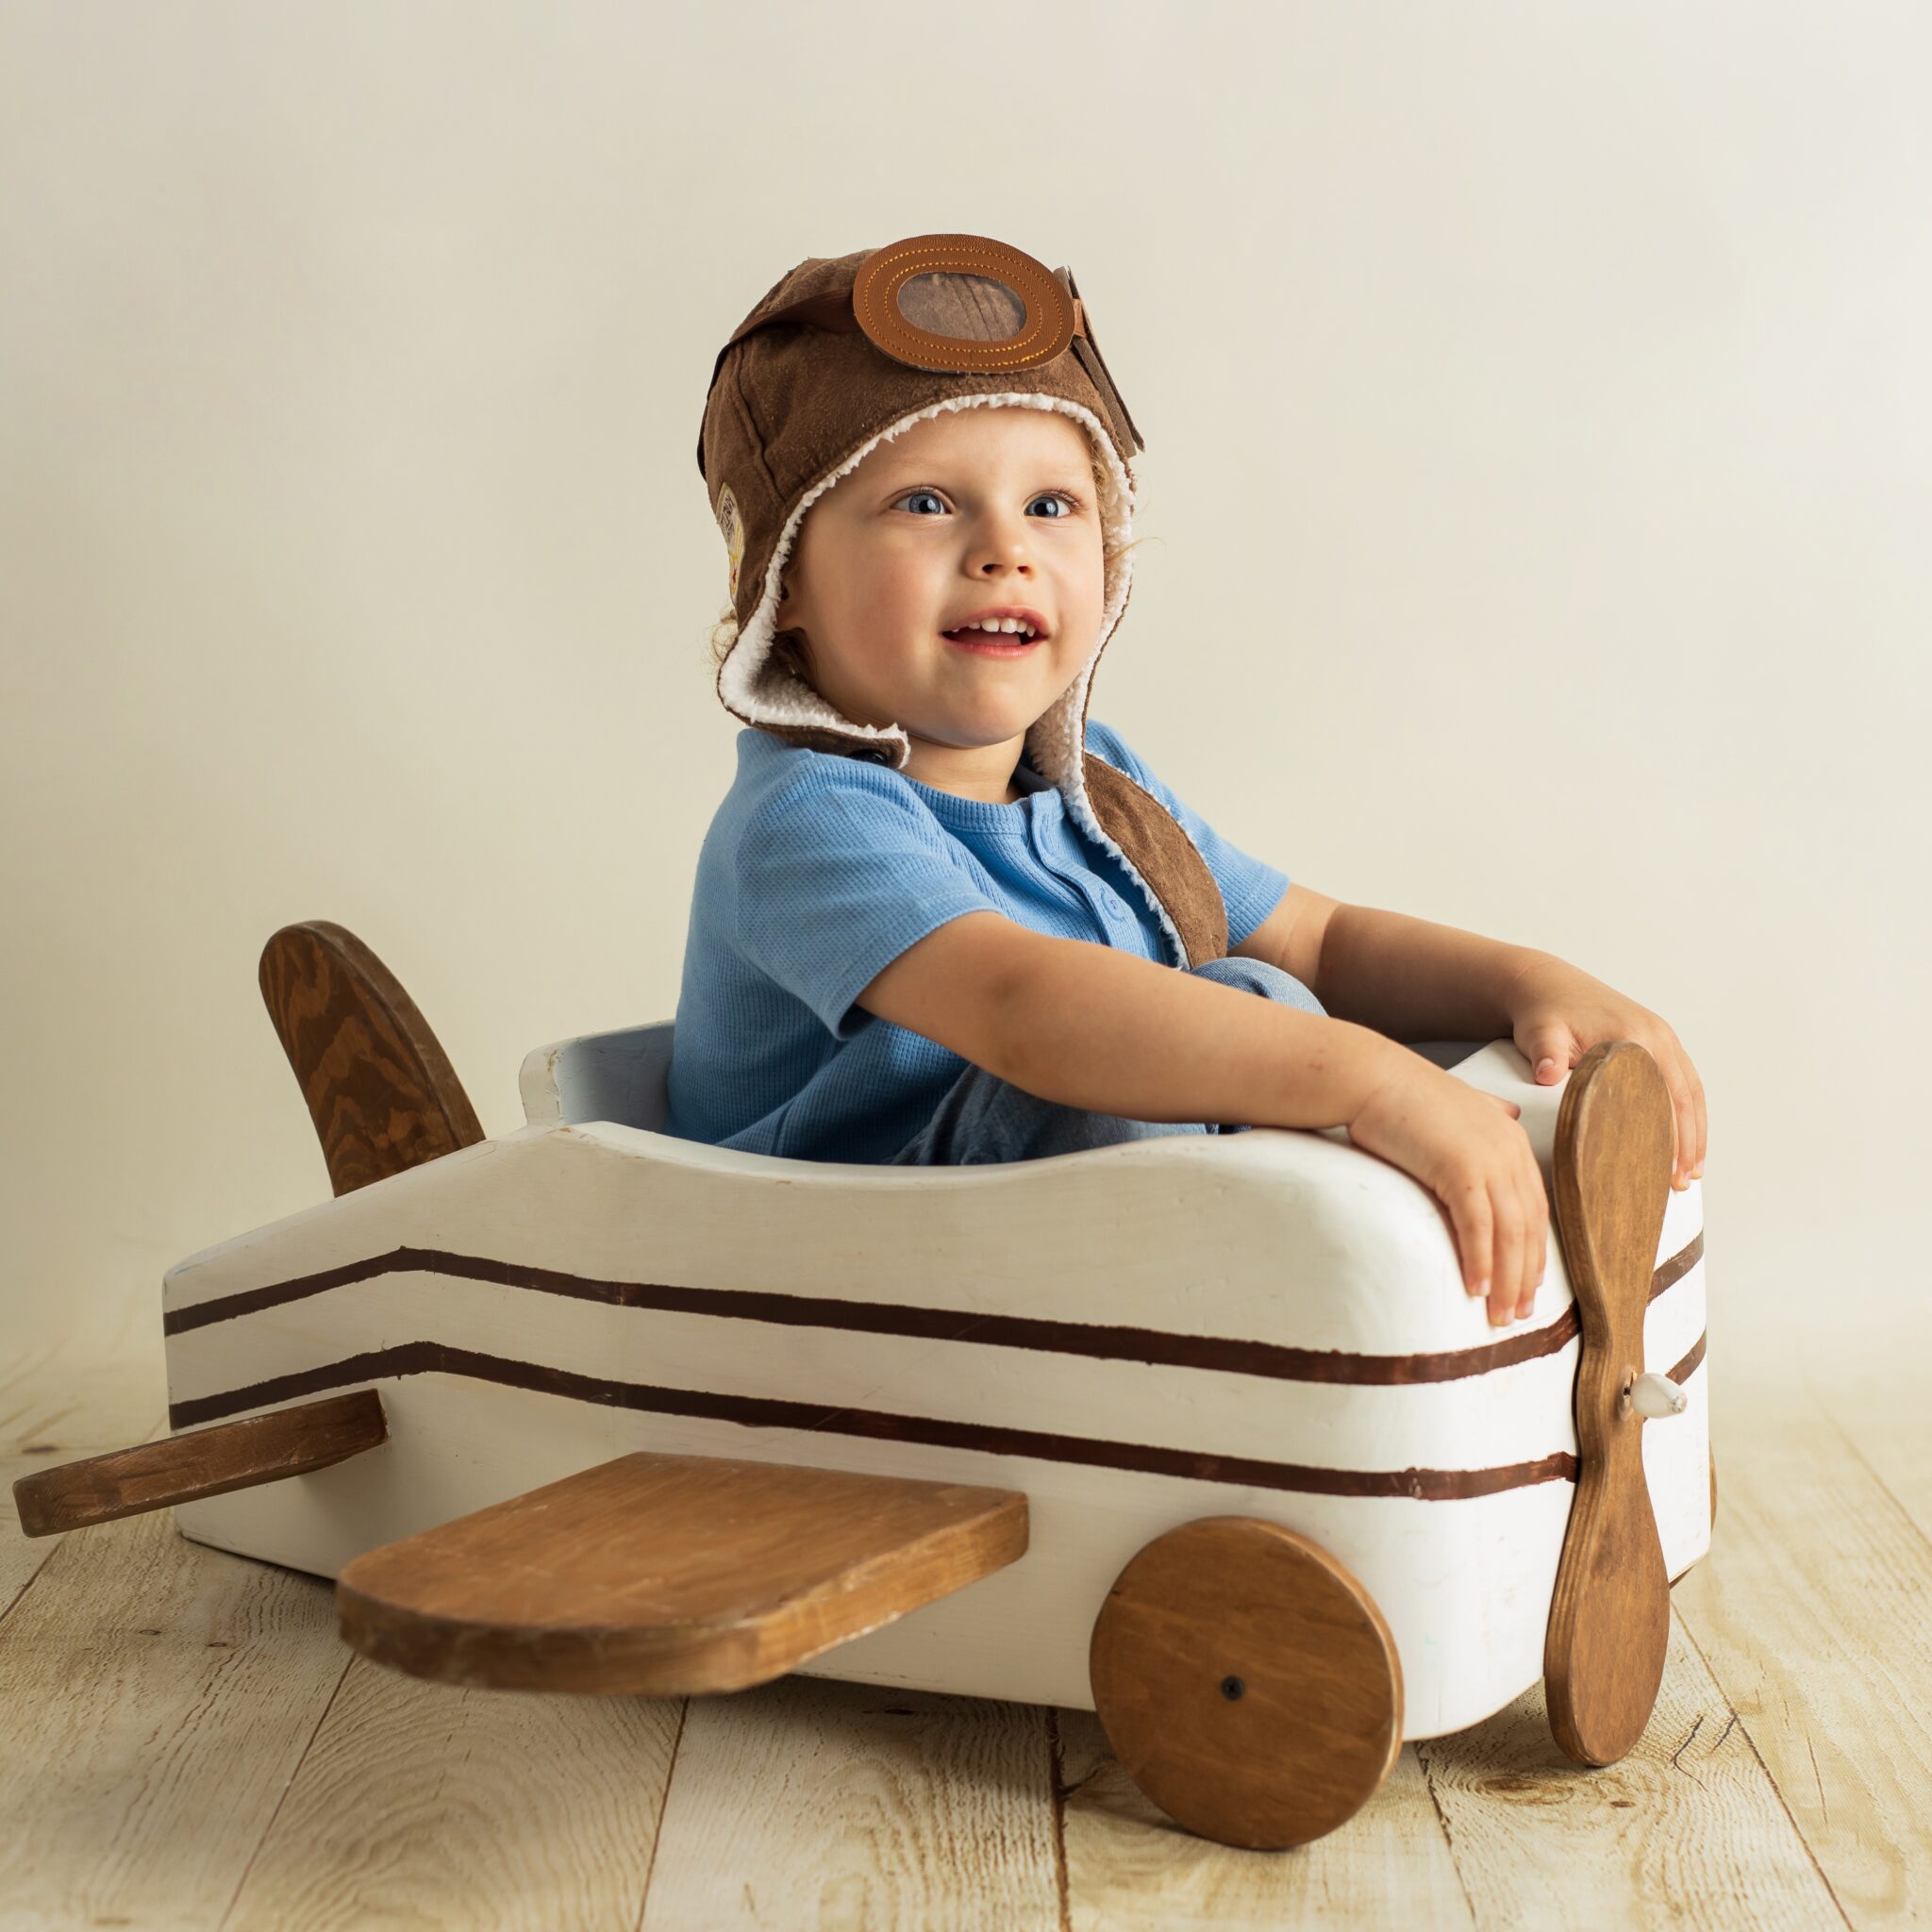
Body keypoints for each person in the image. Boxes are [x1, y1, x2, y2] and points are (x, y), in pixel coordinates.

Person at [661, 232, 1707, 1333]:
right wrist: (1367, 1082)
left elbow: (1316, 940)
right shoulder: (809, 813)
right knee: (1195, 1043)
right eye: (924, 502)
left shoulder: (1099, 789)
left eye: (1051, 505)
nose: (1003, 549)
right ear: (782, 580)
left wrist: (1524, 983)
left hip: (1051, 1272)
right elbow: (1022, 1009)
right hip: (848, 1290)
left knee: (1265, 994)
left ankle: (1400, 1295)